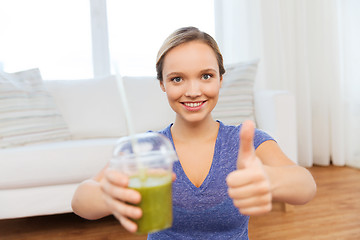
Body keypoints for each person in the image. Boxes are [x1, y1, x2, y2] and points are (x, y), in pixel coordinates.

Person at [72, 26, 316, 239]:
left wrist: (271, 180)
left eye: (206, 76)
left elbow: (306, 186)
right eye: (177, 79)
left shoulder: (245, 142)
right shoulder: (148, 149)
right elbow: (80, 201)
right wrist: (106, 196)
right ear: (162, 85)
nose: (193, 91)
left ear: (221, 79)